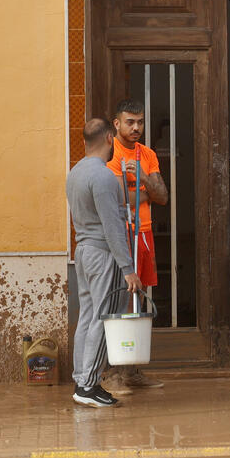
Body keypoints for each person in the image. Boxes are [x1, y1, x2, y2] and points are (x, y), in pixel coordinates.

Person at [66, 118, 143, 408]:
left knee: (87, 316)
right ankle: (88, 385)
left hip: (83, 250)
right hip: (102, 253)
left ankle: (82, 380)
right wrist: (128, 269)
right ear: (110, 138)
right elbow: (112, 226)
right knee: (103, 317)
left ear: (85, 141)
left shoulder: (75, 173)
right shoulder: (103, 177)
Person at [104, 99, 169, 392]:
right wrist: (146, 192)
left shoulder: (148, 155)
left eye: (140, 122)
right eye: (130, 122)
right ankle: (110, 373)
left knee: (138, 299)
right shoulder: (110, 153)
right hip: (121, 233)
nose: (136, 128)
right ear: (116, 124)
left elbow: (163, 197)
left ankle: (132, 370)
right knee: (118, 300)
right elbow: (119, 200)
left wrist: (142, 177)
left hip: (144, 233)